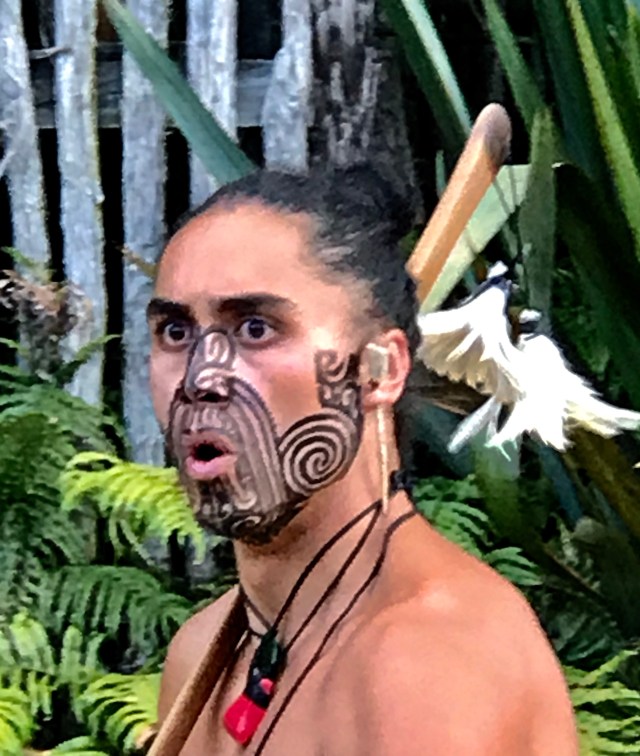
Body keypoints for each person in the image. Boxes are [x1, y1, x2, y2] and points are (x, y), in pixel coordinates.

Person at [147, 166, 579, 755]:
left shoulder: (428, 661)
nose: (201, 378)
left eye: (256, 328)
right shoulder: (202, 654)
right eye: (175, 332)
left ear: (382, 370)